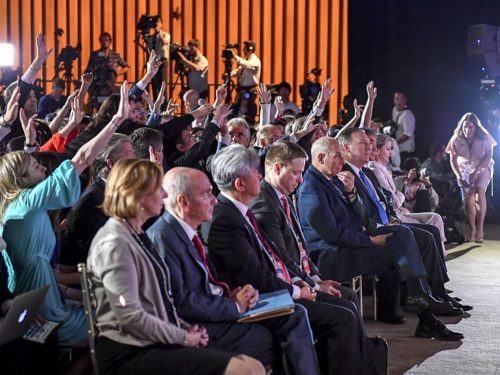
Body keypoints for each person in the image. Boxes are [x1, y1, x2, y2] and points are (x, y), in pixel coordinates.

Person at [203, 144, 380, 375]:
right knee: (342, 316)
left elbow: (275, 256)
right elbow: (255, 274)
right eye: (256, 173)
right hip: (253, 299)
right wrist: (299, 290)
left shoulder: (239, 210)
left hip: (272, 287)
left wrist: (304, 283)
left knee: (345, 305)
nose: (260, 176)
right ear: (240, 183)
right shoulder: (226, 219)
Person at [87, 159, 264, 375]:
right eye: (158, 189)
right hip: (129, 351)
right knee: (244, 370)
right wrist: (183, 336)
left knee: (254, 366)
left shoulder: (135, 234)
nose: (164, 195)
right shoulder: (114, 243)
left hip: (152, 340)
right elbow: (130, 317)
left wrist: (185, 328)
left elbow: (160, 301)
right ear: (137, 194)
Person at [147, 167, 322, 374]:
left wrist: (234, 293)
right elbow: (182, 302)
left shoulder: (182, 231)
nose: (214, 200)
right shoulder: (164, 237)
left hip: (218, 308)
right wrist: (234, 306)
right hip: (199, 325)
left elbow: (208, 281)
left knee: (294, 314)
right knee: (282, 335)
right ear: (183, 202)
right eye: (206, 194)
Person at [0, 81, 130, 348]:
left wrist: (29, 144)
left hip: (37, 292)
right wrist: (115, 122)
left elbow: (27, 165)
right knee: (116, 326)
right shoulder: (28, 202)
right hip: (40, 304)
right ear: (20, 178)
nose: (40, 162)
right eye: (33, 162)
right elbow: (82, 157)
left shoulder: (15, 202)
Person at [297, 137, 465, 341]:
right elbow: (332, 234)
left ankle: (421, 303)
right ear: (321, 157)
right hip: (331, 254)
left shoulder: (333, 179)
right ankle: (423, 307)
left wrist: (351, 194)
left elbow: (360, 215)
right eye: (338, 156)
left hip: (351, 242)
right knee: (397, 253)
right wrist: (371, 241)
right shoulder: (311, 188)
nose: (342, 161)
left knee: (402, 234)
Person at [369, 133, 448, 256]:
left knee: (436, 218)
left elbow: (435, 202)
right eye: (388, 149)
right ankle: (436, 258)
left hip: (402, 211)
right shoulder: (377, 172)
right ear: (377, 150)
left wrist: (427, 185)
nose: (391, 153)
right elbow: (394, 200)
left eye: (391, 149)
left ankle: (439, 256)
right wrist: (403, 188)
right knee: (430, 227)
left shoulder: (384, 171)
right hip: (395, 216)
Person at [446, 112, 497, 243]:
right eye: (465, 127)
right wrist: (459, 176)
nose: (467, 130)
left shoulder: (484, 137)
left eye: (470, 127)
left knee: (480, 192)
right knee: (469, 201)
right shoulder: (456, 139)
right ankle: (472, 229)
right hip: (464, 170)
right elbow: (453, 159)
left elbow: (488, 156)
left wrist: (477, 171)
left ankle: (480, 229)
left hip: (483, 166)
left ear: (476, 127)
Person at [85, 32, 129, 104]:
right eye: (102, 40)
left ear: (110, 42)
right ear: (100, 41)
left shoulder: (114, 55)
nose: (105, 42)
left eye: (107, 40)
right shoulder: (94, 55)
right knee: (96, 106)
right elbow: (88, 69)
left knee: (110, 104)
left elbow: (127, 67)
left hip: (110, 86)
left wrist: (116, 73)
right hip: (97, 86)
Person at [392, 91, 415, 163]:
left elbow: (407, 134)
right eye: (397, 99)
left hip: (406, 151)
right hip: (398, 150)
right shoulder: (394, 110)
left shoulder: (407, 114)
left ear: (405, 100)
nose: (399, 101)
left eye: (401, 99)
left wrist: (394, 143)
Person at [151, 16, 170, 98]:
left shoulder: (166, 34)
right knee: (155, 84)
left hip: (162, 60)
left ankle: (164, 106)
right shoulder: (152, 37)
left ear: (161, 24)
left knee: (163, 82)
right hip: (154, 61)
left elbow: (165, 42)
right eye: (155, 22)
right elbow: (149, 48)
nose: (156, 24)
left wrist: (159, 33)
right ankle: (156, 103)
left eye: (158, 22)